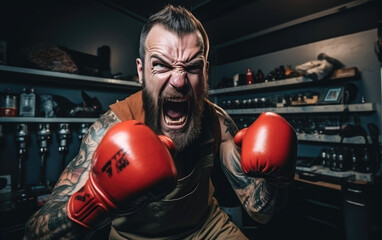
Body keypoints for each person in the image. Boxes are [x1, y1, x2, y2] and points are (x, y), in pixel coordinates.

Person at [24, 5, 297, 240]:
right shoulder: (111, 128)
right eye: (162, 65)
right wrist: (94, 201)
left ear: (205, 72)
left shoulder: (216, 121)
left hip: (207, 229)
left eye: (191, 67)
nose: (178, 81)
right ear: (141, 72)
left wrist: (278, 180)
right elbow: (33, 233)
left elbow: (260, 212)